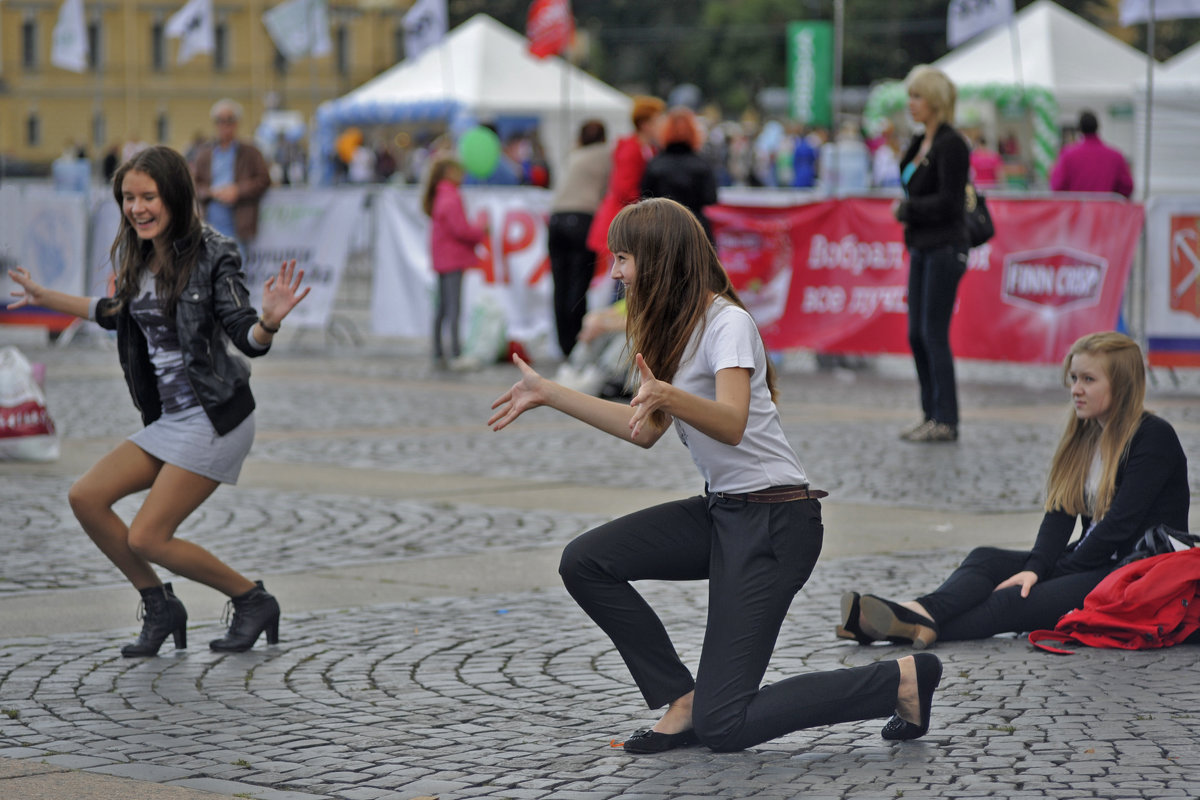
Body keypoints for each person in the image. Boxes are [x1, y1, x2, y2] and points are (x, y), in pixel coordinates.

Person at [489, 197, 943, 754]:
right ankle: (680, 699)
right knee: (586, 562)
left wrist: (668, 394)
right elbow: (643, 430)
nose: (614, 273)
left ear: (658, 259)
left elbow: (731, 422)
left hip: (778, 524)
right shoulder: (674, 329)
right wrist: (549, 393)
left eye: (623, 258)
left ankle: (899, 680)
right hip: (724, 512)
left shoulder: (728, 322)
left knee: (726, 724)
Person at [6, 145, 309, 657]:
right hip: (171, 419)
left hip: (216, 417)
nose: (137, 207)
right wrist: (44, 296)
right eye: (128, 197)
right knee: (86, 498)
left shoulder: (215, 252)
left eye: (148, 196)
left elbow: (246, 336)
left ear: (173, 196)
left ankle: (252, 599)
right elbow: (112, 312)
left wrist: (270, 321)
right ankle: (160, 604)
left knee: (148, 536)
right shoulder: (139, 255)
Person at [838, 332, 1189, 649]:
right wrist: (1037, 566)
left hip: (1133, 576)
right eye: (1073, 378)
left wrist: (1049, 573)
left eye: (1088, 379)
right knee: (985, 558)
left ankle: (896, 627)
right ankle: (920, 613)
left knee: (1011, 599)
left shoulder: (1152, 437)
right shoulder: (1085, 433)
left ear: (1122, 386)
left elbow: (1119, 527)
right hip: (1092, 561)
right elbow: (1060, 514)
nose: (1075, 389)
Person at [894, 66, 970, 444]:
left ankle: (946, 417)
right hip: (922, 246)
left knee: (933, 333)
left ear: (935, 101)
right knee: (916, 334)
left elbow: (949, 201)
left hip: (944, 246)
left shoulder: (952, 144)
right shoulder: (921, 140)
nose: (911, 104)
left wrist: (908, 211)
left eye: (918, 96)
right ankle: (930, 413)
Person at [548, 120, 611, 358]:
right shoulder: (606, 155)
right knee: (578, 283)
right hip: (583, 218)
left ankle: (564, 344)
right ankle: (576, 344)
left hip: (556, 218)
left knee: (560, 285)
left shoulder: (574, 156)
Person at [423, 155, 487, 369]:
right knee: (453, 308)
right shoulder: (452, 197)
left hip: (443, 258)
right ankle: (455, 352)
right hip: (453, 259)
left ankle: (438, 351)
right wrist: (481, 231)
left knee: (441, 308)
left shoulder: (440, 196)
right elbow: (460, 229)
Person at [585, 96, 665, 265]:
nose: (662, 126)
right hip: (621, 221)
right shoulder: (631, 149)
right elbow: (624, 189)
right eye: (658, 121)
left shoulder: (648, 148)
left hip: (629, 219)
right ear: (645, 124)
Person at [191, 99, 272, 255]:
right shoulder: (204, 153)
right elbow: (195, 184)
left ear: (236, 123)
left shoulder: (250, 152)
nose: (224, 125)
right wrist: (211, 192)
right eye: (220, 121)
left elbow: (264, 180)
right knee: (211, 268)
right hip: (210, 220)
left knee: (236, 266)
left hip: (239, 219)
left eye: (229, 120)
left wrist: (238, 191)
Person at [639, 107, 719, 242]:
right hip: (695, 227)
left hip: (662, 229)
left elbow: (644, 196)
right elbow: (711, 198)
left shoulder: (655, 163)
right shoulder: (702, 164)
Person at [1049, 111, 1134, 199]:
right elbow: (1127, 188)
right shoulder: (1116, 156)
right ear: (1098, 127)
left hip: (1077, 211)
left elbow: (1057, 186)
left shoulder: (1067, 155)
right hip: (1106, 211)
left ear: (1079, 129)